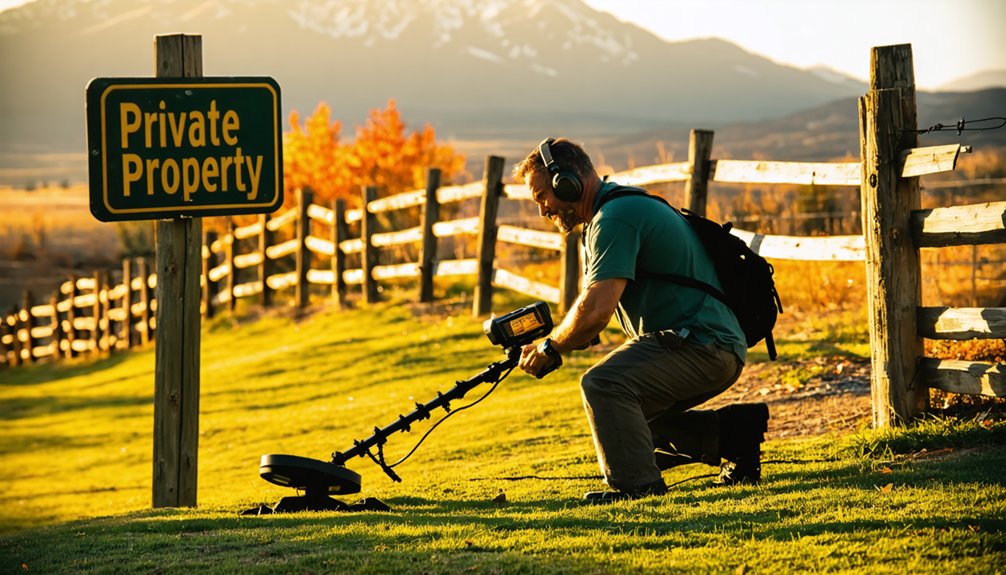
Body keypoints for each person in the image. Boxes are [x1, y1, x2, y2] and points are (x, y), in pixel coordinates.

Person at [515, 137, 770, 503]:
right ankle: (733, 435)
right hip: (711, 345)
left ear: (567, 182)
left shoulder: (614, 218)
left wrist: (551, 346)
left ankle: (637, 487)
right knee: (621, 421)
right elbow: (595, 312)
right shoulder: (614, 211)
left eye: (542, 196)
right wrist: (563, 337)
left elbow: (596, 309)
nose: (543, 210)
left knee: (604, 386)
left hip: (703, 346)